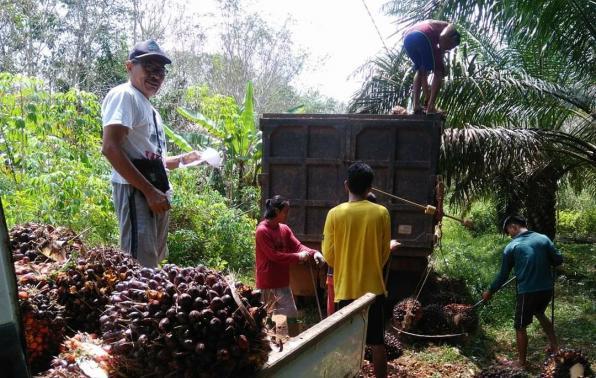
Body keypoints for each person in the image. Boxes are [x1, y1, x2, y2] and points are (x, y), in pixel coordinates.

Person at [101, 39, 203, 267]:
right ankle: (132, 304)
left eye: (160, 71)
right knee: (138, 264)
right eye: (148, 68)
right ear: (129, 66)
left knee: (153, 260)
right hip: (137, 190)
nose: (156, 76)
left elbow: (149, 158)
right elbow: (110, 148)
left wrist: (182, 159)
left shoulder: (149, 107)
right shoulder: (124, 95)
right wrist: (148, 191)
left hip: (155, 191)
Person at [322, 162, 391, 378]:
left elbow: (328, 256)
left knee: (345, 345)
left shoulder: (334, 214)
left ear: (346, 185)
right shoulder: (381, 213)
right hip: (373, 291)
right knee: (378, 343)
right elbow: (383, 253)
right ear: (370, 188)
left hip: (345, 290)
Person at [482, 215, 563, 369]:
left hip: (528, 291)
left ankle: (521, 363)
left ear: (514, 227)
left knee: (520, 326)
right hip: (547, 289)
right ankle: (555, 347)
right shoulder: (543, 239)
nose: (509, 236)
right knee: (539, 312)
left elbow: (503, 275)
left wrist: (490, 291)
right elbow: (558, 260)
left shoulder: (512, 247)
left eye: (509, 232)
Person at [255, 195, 324, 337]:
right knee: (267, 320)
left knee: (290, 316)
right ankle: (273, 347)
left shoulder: (284, 229)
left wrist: (314, 253)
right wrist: (297, 257)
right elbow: (273, 256)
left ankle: (290, 344)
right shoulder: (262, 231)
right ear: (275, 211)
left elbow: (298, 246)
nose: (287, 215)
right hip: (267, 283)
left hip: (283, 282)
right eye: (285, 212)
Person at [403, 20, 460, 114]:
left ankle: (416, 105)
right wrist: (441, 56)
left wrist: (427, 96)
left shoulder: (436, 25)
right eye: (451, 46)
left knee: (421, 71)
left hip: (407, 38)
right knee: (440, 71)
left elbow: (424, 76)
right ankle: (431, 107)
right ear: (453, 38)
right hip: (423, 34)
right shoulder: (451, 27)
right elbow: (442, 37)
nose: (448, 49)